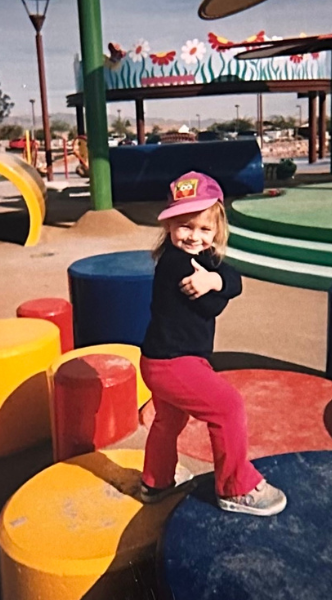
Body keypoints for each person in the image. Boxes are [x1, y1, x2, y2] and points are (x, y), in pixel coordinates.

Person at [138, 171, 287, 517]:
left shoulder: (205, 262)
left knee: (170, 420)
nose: (194, 236)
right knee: (228, 407)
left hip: (165, 357)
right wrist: (214, 286)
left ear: (218, 230)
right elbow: (213, 305)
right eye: (185, 226)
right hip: (172, 362)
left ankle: (155, 480)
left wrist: (216, 279)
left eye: (204, 229)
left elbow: (235, 280)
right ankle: (236, 487)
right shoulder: (176, 264)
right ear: (170, 226)